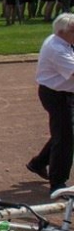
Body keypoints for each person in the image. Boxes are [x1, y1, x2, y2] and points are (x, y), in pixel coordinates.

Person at [27, 13, 74, 193]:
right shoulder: (58, 49)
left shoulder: (62, 41)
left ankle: (38, 162)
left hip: (63, 93)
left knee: (64, 132)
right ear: (64, 31)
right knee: (66, 137)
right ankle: (58, 183)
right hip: (57, 96)